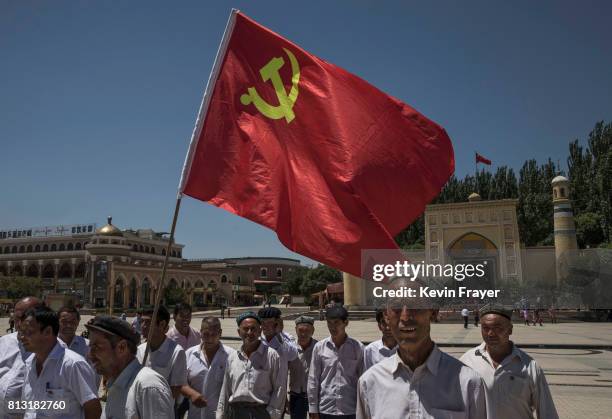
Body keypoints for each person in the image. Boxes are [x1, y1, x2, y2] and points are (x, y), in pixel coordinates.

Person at [356, 279, 486, 419]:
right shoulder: (370, 383)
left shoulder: (468, 383)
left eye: (415, 305)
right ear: (386, 316)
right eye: (396, 307)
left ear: (433, 312)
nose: (405, 317)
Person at [461, 304, 559, 418]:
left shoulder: (530, 366)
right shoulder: (467, 361)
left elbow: (547, 412)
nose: (491, 334)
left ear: (510, 330)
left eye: (497, 328)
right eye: (485, 328)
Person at [18, 305, 101, 418]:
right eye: (21, 332)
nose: (22, 337)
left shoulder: (72, 364)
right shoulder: (29, 364)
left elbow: (93, 408)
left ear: (48, 331)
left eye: (28, 332)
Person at [86, 315, 174, 418]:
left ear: (122, 348)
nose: (90, 355)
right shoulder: (115, 385)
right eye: (91, 347)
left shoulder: (148, 387)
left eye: (97, 347)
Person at [217, 311, 287, 419]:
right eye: (245, 329)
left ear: (260, 331)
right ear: (239, 332)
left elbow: (279, 389)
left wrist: (271, 414)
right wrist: (220, 414)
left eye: (253, 329)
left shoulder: (272, 355)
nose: (249, 332)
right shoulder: (232, 357)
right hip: (235, 413)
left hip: (261, 413)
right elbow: (225, 390)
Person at [308, 305, 364, 419]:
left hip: (350, 409)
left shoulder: (358, 347)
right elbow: (313, 378)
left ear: (346, 323)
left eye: (336, 323)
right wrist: (313, 407)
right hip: (326, 409)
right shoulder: (320, 347)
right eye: (329, 323)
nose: (332, 327)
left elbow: (363, 379)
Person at [185, 316, 235, 419]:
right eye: (206, 334)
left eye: (214, 334)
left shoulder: (231, 356)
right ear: (200, 333)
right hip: (194, 415)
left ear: (220, 333)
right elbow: (181, 383)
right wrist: (191, 394)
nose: (210, 339)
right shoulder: (189, 354)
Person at [0, 296, 42, 418]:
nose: (19, 324)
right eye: (16, 318)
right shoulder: (4, 342)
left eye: (23, 318)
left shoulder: (52, 349)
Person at [137, 306, 188, 400]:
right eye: (141, 321)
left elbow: (176, 389)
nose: (143, 326)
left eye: (147, 322)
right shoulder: (139, 350)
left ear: (162, 324)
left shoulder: (176, 352)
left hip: (162, 411)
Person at [288, 316, 317, 419]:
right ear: (296, 330)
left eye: (307, 330)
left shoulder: (319, 348)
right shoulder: (290, 348)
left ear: (312, 331)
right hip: (296, 394)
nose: (303, 334)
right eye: (300, 330)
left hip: (316, 395)